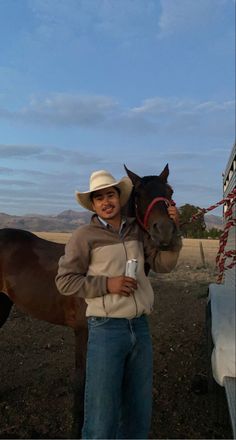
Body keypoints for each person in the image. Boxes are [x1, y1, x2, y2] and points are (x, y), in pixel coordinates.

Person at [55, 169, 182, 440]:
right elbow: (65, 282)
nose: (106, 202)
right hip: (105, 330)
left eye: (110, 195)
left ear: (119, 197)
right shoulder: (83, 236)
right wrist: (106, 284)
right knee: (102, 415)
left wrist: (174, 233)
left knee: (138, 413)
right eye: (98, 198)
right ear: (93, 204)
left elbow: (163, 265)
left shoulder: (138, 231)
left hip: (140, 328)